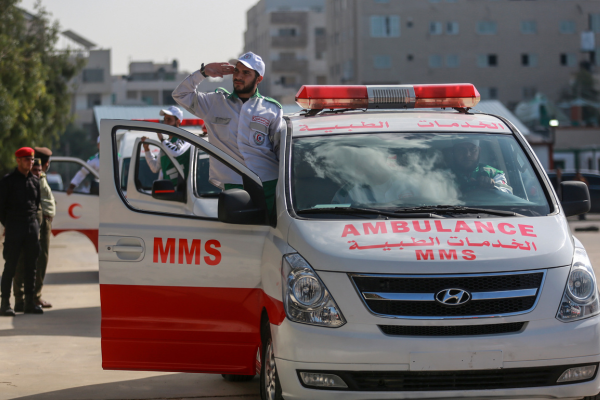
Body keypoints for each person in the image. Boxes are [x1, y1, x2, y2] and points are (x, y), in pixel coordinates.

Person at [172, 52, 284, 214]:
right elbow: (180, 94)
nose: (238, 76)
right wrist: (203, 73)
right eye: (236, 71)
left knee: (273, 236)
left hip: (268, 184)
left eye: (246, 73)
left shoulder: (271, 109)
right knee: (238, 236)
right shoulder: (215, 102)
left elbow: (280, 149)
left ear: (258, 79)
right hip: (233, 186)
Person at [0, 148, 43, 316]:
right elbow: (1, 208)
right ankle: (5, 303)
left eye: (31, 159)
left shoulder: (34, 181)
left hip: (31, 227)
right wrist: (9, 224)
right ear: (18, 160)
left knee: (31, 266)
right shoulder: (8, 181)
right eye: (26, 159)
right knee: (10, 266)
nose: (30, 162)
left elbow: (36, 204)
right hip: (15, 226)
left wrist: (35, 226)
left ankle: (29, 303)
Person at [13, 148, 55, 311]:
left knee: (39, 259)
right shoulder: (28, 178)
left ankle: (32, 297)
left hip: (42, 221)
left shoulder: (38, 176)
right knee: (28, 260)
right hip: (35, 221)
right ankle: (27, 298)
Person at [141, 106, 192, 186]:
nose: (166, 123)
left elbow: (176, 152)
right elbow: (155, 168)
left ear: (178, 122)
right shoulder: (166, 143)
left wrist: (162, 140)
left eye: (169, 120)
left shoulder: (184, 139)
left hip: (180, 190)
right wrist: (147, 149)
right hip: (166, 190)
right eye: (165, 120)